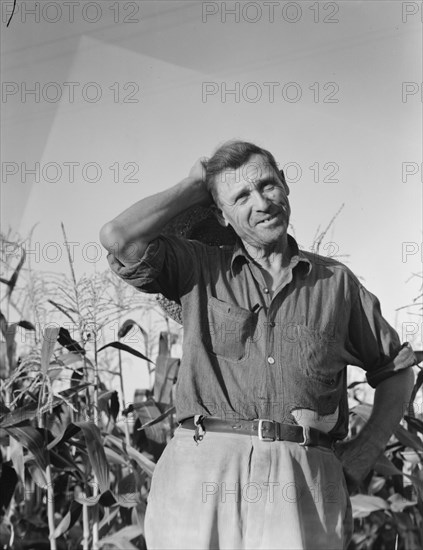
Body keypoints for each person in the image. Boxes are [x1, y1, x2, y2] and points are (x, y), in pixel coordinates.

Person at [100, 140, 416, 550]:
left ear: (285, 185)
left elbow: (396, 369)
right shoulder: (199, 267)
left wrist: (365, 450)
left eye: (268, 185)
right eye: (241, 196)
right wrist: (196, 184)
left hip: (304, 476)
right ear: (221, 214)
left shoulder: (336, 283)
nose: (262, 202)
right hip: (202, 470)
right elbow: (119, 238)